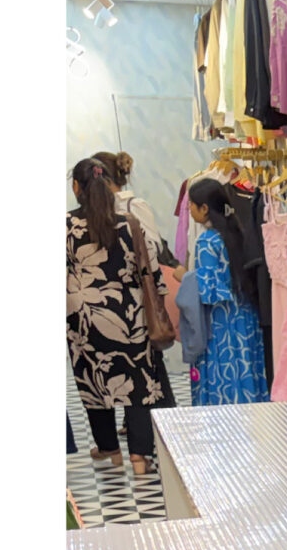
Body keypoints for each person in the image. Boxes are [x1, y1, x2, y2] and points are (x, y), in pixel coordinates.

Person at [67, 155, 171, 475]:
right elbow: (149, 268)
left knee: (93, 381)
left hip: (84, 318)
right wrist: (160, 299)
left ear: (76, 188)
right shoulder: (128, 223)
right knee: (139, 382)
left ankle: (109, 448)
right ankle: (140, 456)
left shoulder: (65, 226)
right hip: (130, 314)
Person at [185, 179, 271, 405]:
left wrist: (183, 276)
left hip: (220, 323)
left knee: (222, 374)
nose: (189, 209)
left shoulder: (206, 241)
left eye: (191, 204)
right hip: (246, 318)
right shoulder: (238, 232)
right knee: (248, 369)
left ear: (204, 208)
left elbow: (207, 292)